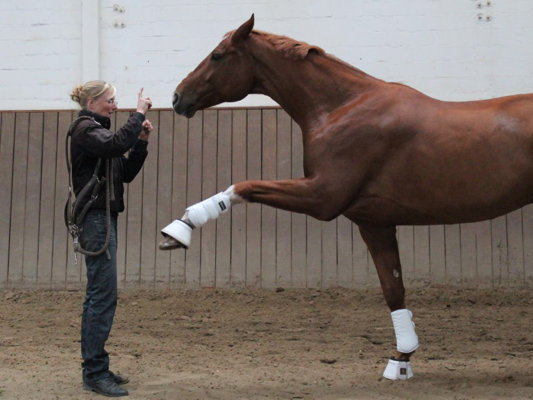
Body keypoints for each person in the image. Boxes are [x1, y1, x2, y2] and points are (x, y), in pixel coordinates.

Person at [69, 80, 153, 397]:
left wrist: (141, 140)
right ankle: (94, 372)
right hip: (96, 219)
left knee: (102, 294)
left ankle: (97, 367)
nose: (113, 105)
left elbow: (125, 171)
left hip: (103, 218)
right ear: (92, 102)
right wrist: (138, 113)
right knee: (101, 295)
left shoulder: (99, 135)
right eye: (110, 100)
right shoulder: (85, 131)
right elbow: (118, 144)